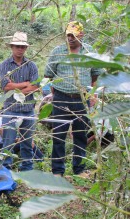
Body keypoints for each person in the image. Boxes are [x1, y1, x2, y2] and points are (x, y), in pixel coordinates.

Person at [44, 21, 105, 177]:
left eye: (74, 35)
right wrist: (53, 95)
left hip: (82, 100)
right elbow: (48, 76)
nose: (70, 38)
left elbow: (96, 76)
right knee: (59, 135)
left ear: (81, 35)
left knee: (80, 136)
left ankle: (79, 170)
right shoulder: (57, 51)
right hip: (60, 98)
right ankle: (57, 171)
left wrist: (93, 94)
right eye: (68, 35)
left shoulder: (89, 51)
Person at [0, 31, 39, 171]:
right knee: (8, 143)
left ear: (26, 48)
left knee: (27, 143)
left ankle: (27, 169)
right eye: (17, 46)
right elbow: (6, 86)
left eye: (22, 47)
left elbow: (35, 87)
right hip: (10, 109)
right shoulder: (4, 65)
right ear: (12, 47)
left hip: (28, 110)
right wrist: (25, 83)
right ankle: (5, 171)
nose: (20, 49)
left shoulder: (32, 66)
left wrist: (15, 88)